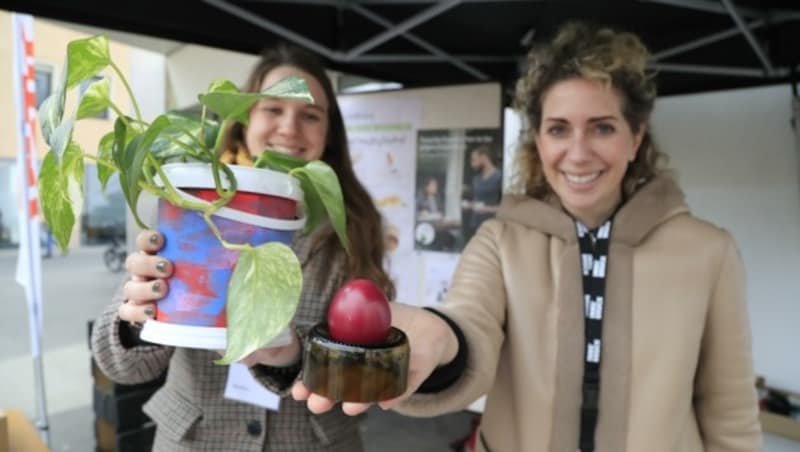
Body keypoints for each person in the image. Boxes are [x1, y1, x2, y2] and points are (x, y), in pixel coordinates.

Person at [293, 22, 762, 452]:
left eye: (602, 127)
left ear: (636, 138)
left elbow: (731, 418)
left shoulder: (708, 253)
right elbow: (469, 323)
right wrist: (442, 338)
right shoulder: (501, 241)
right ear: (538, 140)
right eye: (559, 129)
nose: (578, 154)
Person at [90, 43, 394, 452]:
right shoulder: (196, 202)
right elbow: (120, 367)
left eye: (310, 115)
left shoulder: (353, 223)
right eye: (273, 109)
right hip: (197, 441)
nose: (289, 127)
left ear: (329, 132)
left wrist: (292, 357)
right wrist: (141, 317)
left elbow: (365, 362)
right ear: (243, 117)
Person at [461, 144, 502, 240]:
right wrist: (469, 205)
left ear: (483, 157)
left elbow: (506, 207)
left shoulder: (499, 177)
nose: (472, 164)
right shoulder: (476, 179)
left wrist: (487, 209)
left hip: (492, 227)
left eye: (474, 160)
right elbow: (477, 202)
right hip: (475, 225)